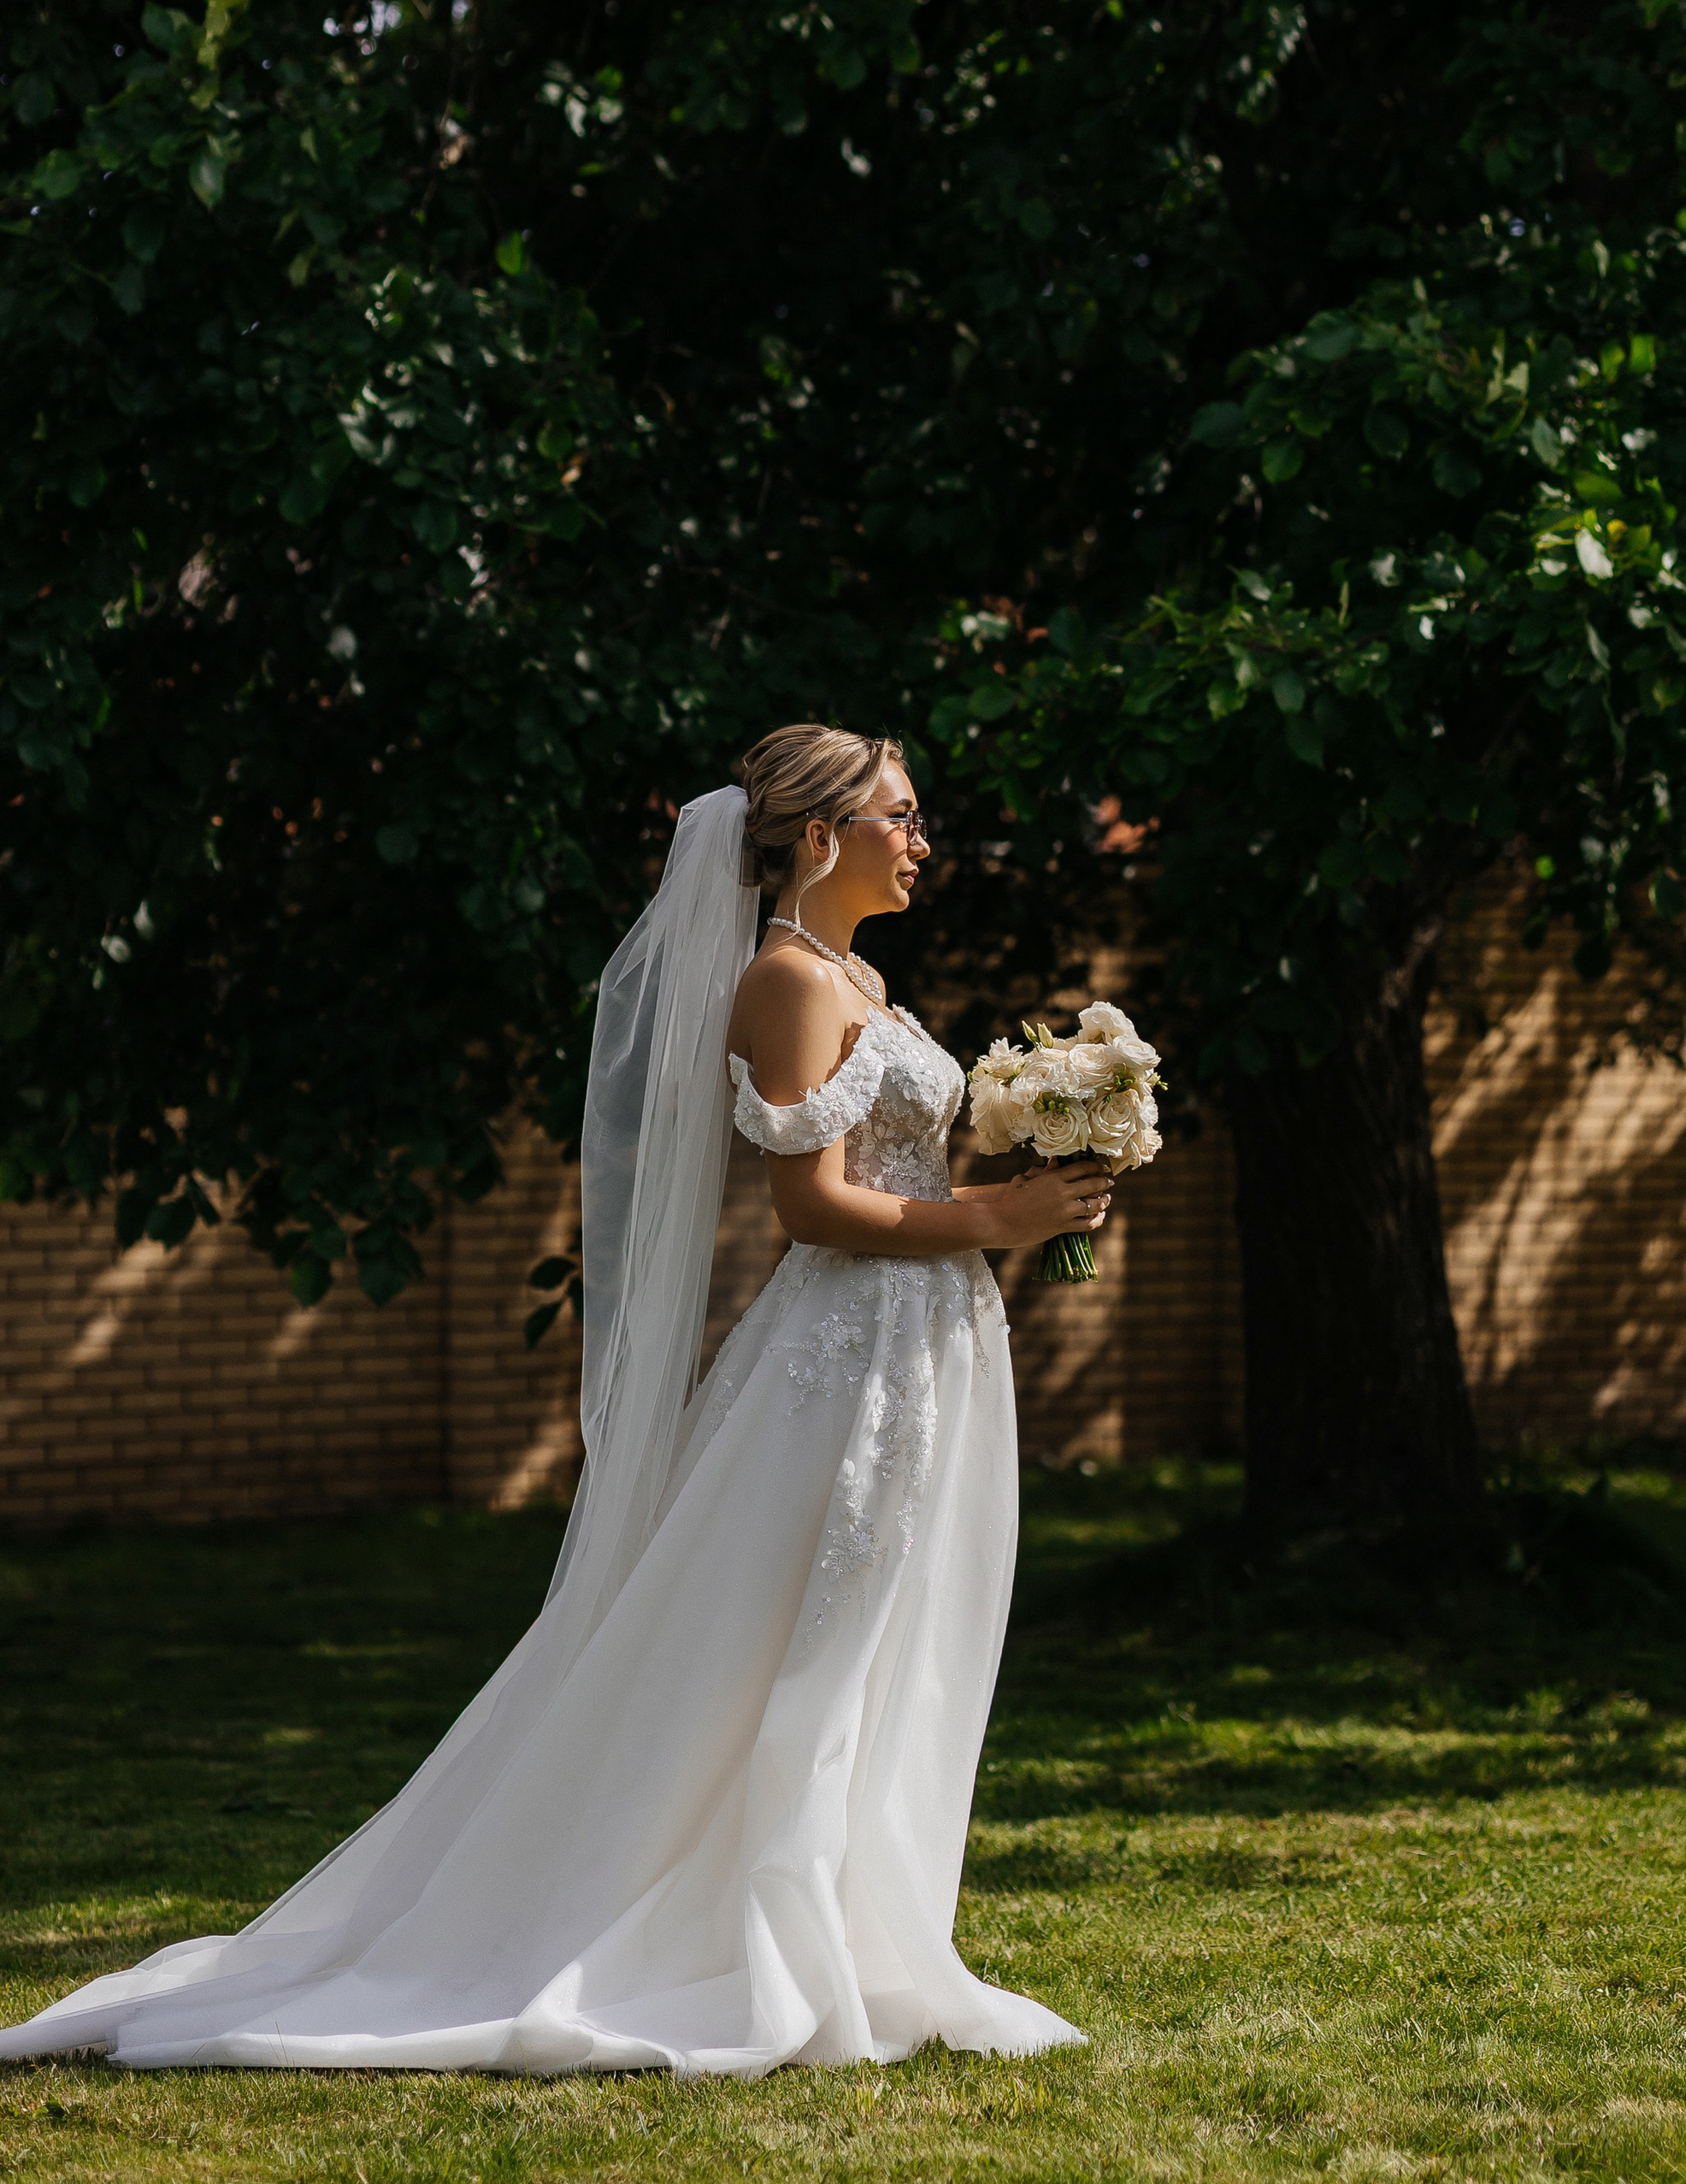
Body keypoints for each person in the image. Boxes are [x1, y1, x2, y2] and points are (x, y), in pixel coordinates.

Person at [0, 725, 1100, 2076]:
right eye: (904, 818)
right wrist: (1000, 1212)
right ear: (822, 836)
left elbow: (893, 1154)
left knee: (886, 1637)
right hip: (843, 1361)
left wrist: (1045, 1132)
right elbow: (811, 1206)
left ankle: (867, 1923)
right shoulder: (788, 981)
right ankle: (746, 1922)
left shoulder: (863, 974)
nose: (924, 842)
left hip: (922, 1343)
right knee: (801, 1639)